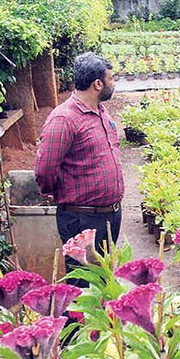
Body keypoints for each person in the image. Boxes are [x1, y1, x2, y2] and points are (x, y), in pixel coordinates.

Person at [35, 53, 124, 282]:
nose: (113, 84)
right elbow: (44, 171)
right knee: (82, 284)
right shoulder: (64, 119)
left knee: (103, 279)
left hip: (109, 215)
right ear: (97, 84)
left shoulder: (101, 112)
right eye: (111, 79)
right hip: (81, 218)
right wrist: (66, 197)